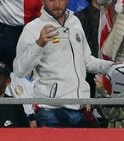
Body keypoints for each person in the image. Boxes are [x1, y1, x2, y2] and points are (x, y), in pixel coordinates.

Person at [14, 0, 114, 128]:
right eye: (51, 0)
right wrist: (39, 44)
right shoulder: (32, 29)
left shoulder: (75, 22)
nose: (57, 4)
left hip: (82, 109)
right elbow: (19, 70)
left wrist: (112, 66)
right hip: (51, 110)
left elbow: (87, 61)